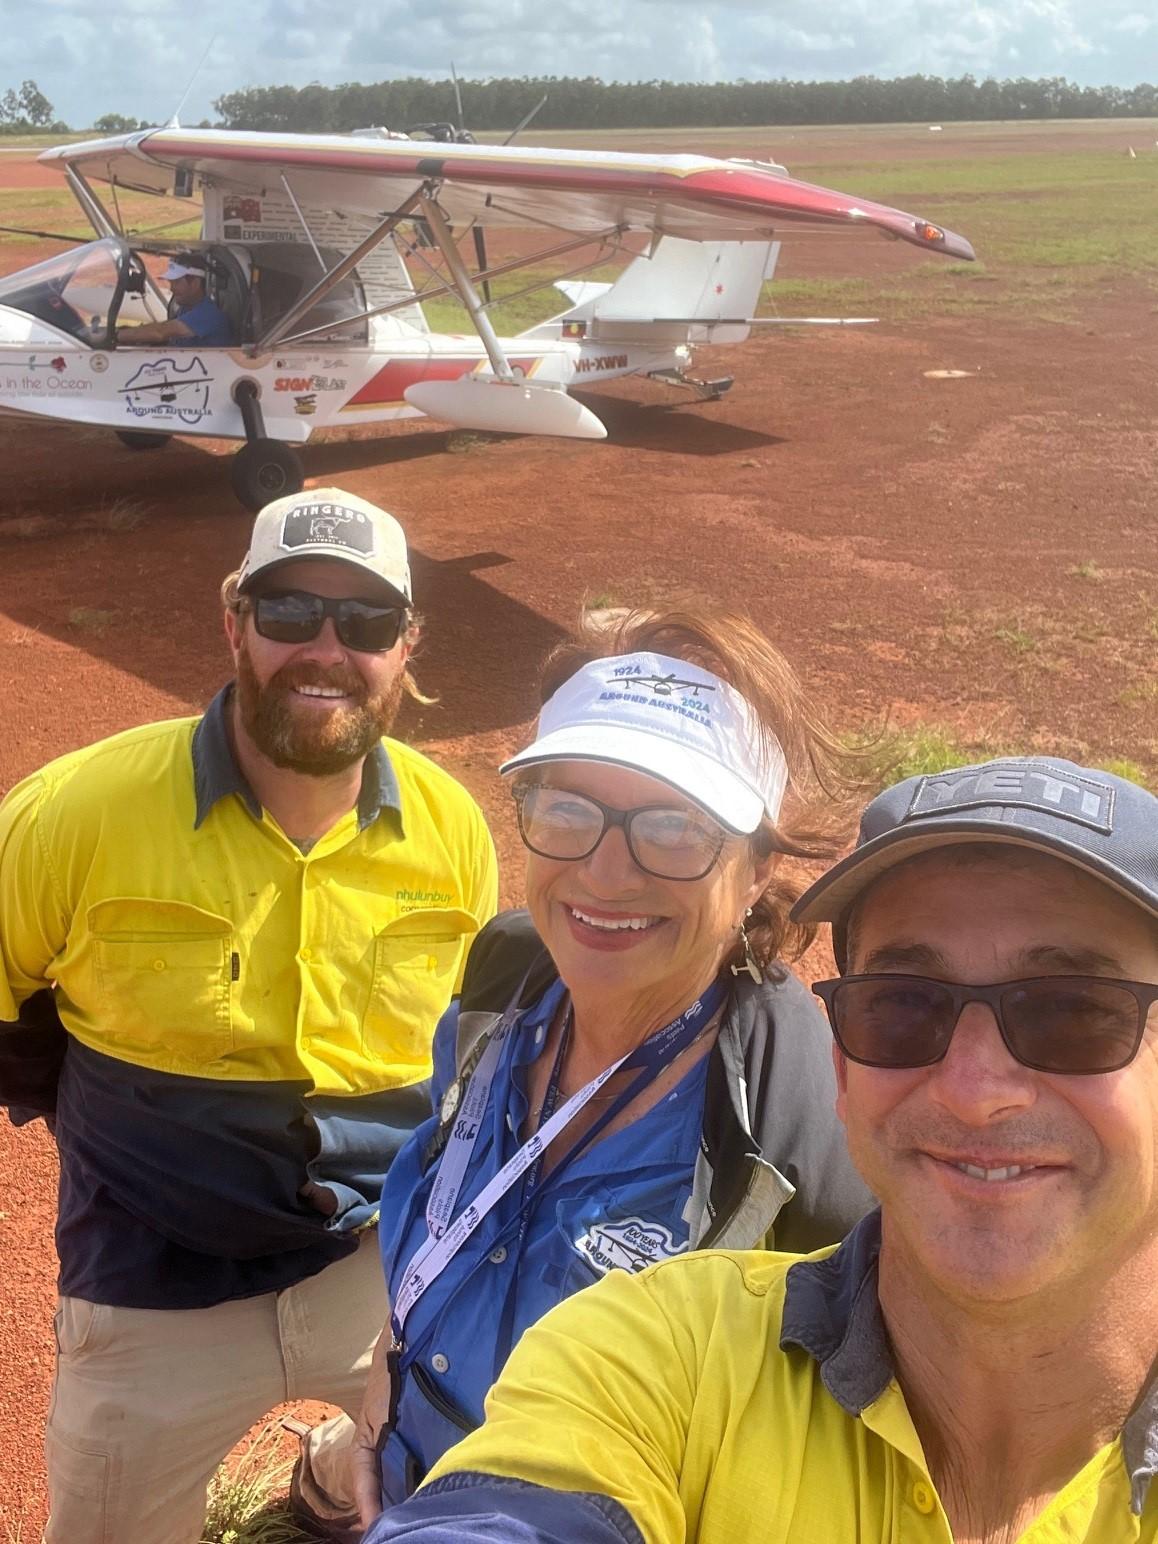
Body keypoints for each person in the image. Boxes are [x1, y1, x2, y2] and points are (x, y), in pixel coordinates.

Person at [359, 755, 1158, 1544]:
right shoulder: (663, 1346)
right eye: (904, 1006)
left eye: (1072, 1013)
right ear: (843, 1064)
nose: (975, 1089)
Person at [297, 607, 875, 1535]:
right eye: (567, 807)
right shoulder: (507, 983)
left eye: (674, 827)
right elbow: (448, 1219)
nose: (604, 874)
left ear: (760, 864)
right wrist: (387, 1383)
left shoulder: (804, 1114)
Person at [0, 487, 497, 1544]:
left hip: (378, 1265)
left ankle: (327, 1477)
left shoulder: (452, 828)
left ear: (405, 646)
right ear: (234, 622)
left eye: (363, 623)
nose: (326, 648)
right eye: (289, 614)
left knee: (472, 1486)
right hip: (150, 1276)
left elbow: (475, 1049)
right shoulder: (75, 810)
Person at [122, 253, 235, 346]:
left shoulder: (208, 314)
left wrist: (116, 335)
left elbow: (160, 332)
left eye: (176, 282)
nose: (172, 288)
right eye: (171, 283)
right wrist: (128, 332)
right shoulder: (186, 309)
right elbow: (165, 327)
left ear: (195, 283)